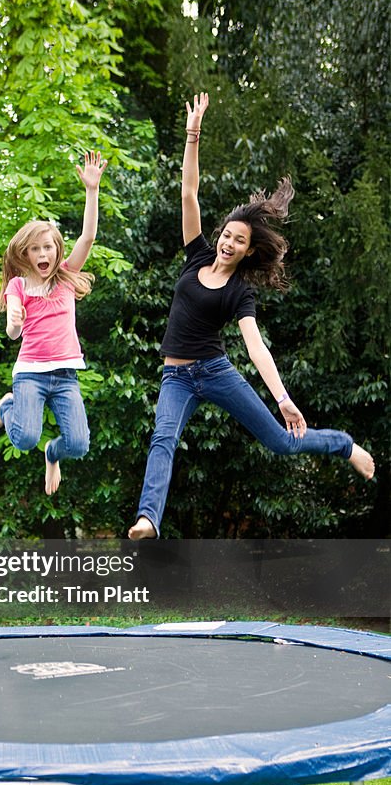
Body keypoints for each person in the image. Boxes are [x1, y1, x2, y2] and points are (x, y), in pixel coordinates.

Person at [129, 92, 374, 540]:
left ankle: (342, 445)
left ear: (248, 250)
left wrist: (282, 398)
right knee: (162, 439)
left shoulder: (240, 292)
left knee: (280, 442)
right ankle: (148, 520)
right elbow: (188, 191)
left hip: (216, 372)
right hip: (176, 378)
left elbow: (254, 345)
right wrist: (193, 133)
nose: (227, 243)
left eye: (238, 241)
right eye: (226, 234)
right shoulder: (195, 255)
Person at [0, 151, 108, 495]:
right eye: (35, 250)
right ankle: (9, 404)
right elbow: (13, 333)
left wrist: (92, 191)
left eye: (48, 248)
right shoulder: (19, 286)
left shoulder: (67, 277)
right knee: (24, 439)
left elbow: (87, 237)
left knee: (80, 444)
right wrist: (15, 318)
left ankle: (51, 454)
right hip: (30, 374)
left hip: (66, 375)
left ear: (57, 250)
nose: (43, 255)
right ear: (24, 255)